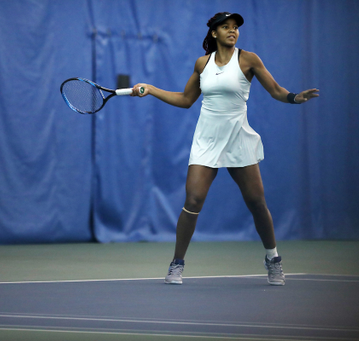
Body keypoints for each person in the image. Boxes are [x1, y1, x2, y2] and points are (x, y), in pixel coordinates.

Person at [131, 12, 319, 286]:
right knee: (193, 201)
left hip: (238, 138)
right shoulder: (202, 64)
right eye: (226, 27)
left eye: (235, 28)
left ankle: (273, 258)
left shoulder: (248, 59)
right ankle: (177, 264)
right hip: (206, 140)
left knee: (256, 202)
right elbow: (185, 100)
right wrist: (151, 88)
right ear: (214, 33)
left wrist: (293, 98)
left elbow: (276, 90)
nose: (233, 31)